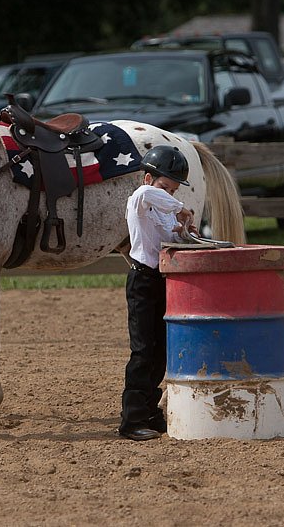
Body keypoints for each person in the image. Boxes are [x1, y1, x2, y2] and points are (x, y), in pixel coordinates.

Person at [119, 146, 196, 441]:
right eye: (166, 187)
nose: (171, 195)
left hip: (159, 281)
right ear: (148, 178)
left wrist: (185, 230)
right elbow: (146, 195)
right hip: (142, 281)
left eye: (174, 191)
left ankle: (150, 412)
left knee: (159, 351)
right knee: (142, 351)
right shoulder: (140, 199)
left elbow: (170, 234)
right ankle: (132, 418)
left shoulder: (163, 210)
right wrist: (179, 208)